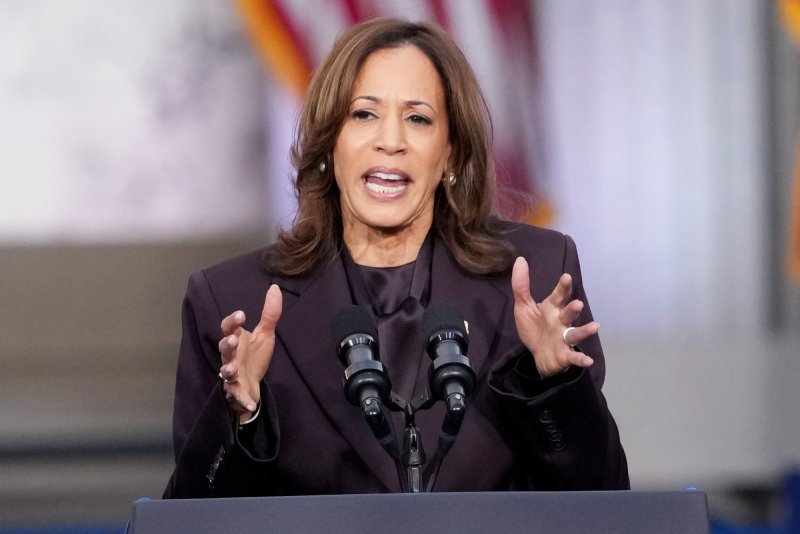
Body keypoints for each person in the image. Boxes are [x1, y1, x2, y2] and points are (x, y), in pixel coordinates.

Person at [163, 17, 628, 498]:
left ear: (450, 154)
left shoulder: (538, 276)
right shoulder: (234, 301)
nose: (391, 140)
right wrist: (244, 417)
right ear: (329, 142)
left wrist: (550, 384)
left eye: (418, 118)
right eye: (364, 114)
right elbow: (187, 516)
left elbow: (604, 498)